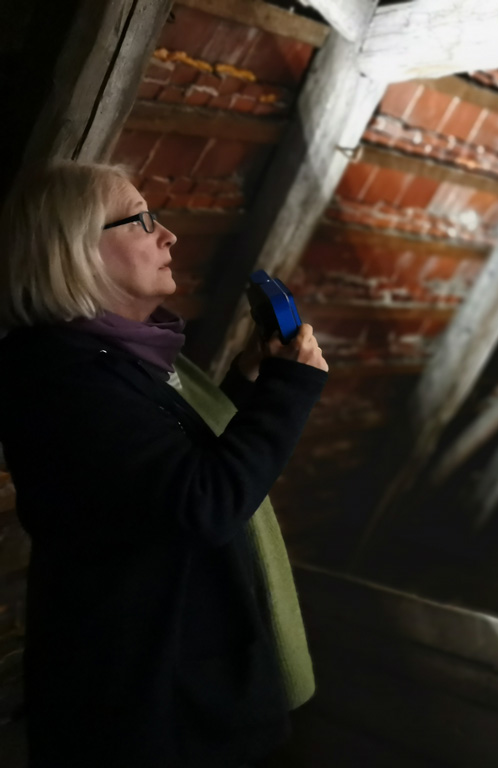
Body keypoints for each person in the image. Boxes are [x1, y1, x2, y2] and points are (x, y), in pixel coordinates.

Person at [0, 160, 329, 767]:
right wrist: (289, 393)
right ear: (75, 249)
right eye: (141, 221)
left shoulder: (118, 356)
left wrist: (253, 382)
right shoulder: (64, 378)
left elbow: (171, 462)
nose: (168, 235)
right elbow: (201, 502)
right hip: (148, 705)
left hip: (170, 682)